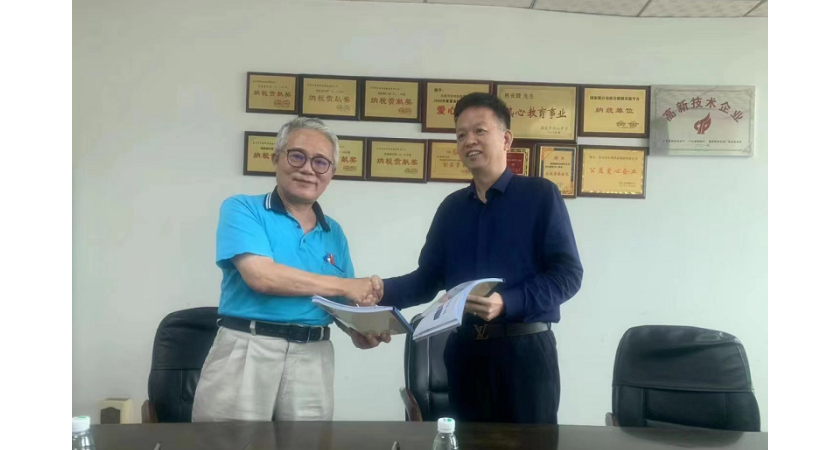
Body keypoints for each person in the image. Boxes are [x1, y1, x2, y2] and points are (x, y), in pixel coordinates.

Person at [374, 93, 583, 424]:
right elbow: (427, 279)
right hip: (465, 353)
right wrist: (376, 291)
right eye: (460, 134)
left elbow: (568, 274)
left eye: (479, 131)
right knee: (467, 443)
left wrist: (506, 302)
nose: (468, 140)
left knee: (531, 446)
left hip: (526, 354)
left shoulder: (540, 196)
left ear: (506, 139)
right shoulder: (451, 209)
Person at [192, 117, 390, 423]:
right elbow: (261, 276)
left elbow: (342, 303)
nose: (308, 169)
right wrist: (346, 286)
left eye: (321, 162)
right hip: (248, 350)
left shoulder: (334, 232)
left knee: (308, 444)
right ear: (276, 158)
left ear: (331, 174)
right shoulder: (243, 209)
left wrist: (359, 330)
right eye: (297, 156)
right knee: (229, 443)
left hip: (314, 356)